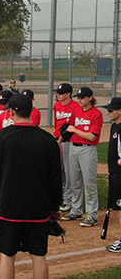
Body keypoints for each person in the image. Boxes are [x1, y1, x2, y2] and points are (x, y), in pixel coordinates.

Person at [0, 93, 62, 279]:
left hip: (7, 205)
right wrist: (54, 207)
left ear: (11, 112)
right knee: (38, 255)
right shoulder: (47, 139)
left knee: (7, 254)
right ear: (31, 111)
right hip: (38, 207)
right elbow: (56, 178)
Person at [60, 87, 102, 227]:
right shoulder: (76, 110)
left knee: (89, 183)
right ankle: (76, 210)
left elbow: (91, 136)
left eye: (82, 97)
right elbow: (69, 126)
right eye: (78, 97)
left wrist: (74, 130)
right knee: (74, 181)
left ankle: (92, 215)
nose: (80, 100)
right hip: (73, 147)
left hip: (87, 150)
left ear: (90, 98)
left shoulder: (96, 114)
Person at [53, 83, 78, 213]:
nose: (58, 95)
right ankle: (62, 196)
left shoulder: (75, 107)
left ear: (68, 94)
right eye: (57, 93)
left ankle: (69, 200)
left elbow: (70, 128)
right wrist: (56, 138)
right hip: (57, 140)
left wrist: (60, 140)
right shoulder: (56, 105)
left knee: (68, 171)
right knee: (59, 170)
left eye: (61, 93)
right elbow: (57, 124)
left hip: (67, 141)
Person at [101, 98, 121, 252]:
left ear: (120, 111)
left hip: (120, 173)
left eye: (111, 110)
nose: (108, 113)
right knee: (115, 207)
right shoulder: (115, 126)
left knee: (120, 208)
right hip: (114, 171)